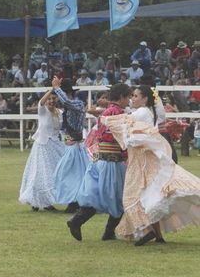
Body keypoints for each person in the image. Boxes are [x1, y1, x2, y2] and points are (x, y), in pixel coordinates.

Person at [103, 106, 200, 246]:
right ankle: (157, 235)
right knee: (149, 202)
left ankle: (148, 231)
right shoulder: (146, 127)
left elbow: (118, 124)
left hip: (140, 169)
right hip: (145, 168)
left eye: (136, 96)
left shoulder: (138, 127)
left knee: (130, 200)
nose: (133, 99)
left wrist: (106, 116)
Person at [66, 83, 131, 241]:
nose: (128, 100)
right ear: (122, 97)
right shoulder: (118, 114)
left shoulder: (106, 112)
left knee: (96, 195)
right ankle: (108, 232)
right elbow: (121, 139)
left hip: (100, 160)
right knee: (118, 197)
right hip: (113, 162)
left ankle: (78, 220)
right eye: (128, 97)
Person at [19, 88, 65, 211]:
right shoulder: (43, 110)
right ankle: (38, 201)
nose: (51, 101)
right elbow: (41, 102)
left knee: (55, 172)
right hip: (42, 145)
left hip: (55, 144)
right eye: (49, 99)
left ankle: (46, 201)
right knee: (40, 173)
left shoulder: (60, 112)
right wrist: (52, 89)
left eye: (53, 98)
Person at [52, 77, 89, 213]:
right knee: (71, 173)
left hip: (76, 145)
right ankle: (75, 201)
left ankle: (75, 202)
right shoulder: (71, 105)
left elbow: (67, 102)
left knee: (69, 173)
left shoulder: (77, 104)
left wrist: (57, 88)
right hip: (71, 144)